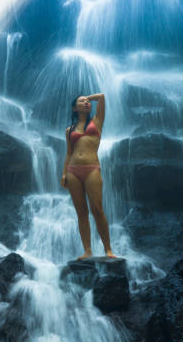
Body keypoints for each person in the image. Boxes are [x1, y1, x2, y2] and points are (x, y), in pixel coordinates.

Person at [61, 93, 117, 260]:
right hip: (73, 171)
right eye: (81, 101)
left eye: (87, 101)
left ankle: (108, 249)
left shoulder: (97, 121)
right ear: (74, 108)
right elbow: (68, 153)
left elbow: (101, 97)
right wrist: (64, 173)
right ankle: (87, 250)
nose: (86, 103)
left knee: (97, 209)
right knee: (81, 212)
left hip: (92, 168)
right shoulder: (69, 130)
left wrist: (88, 97)